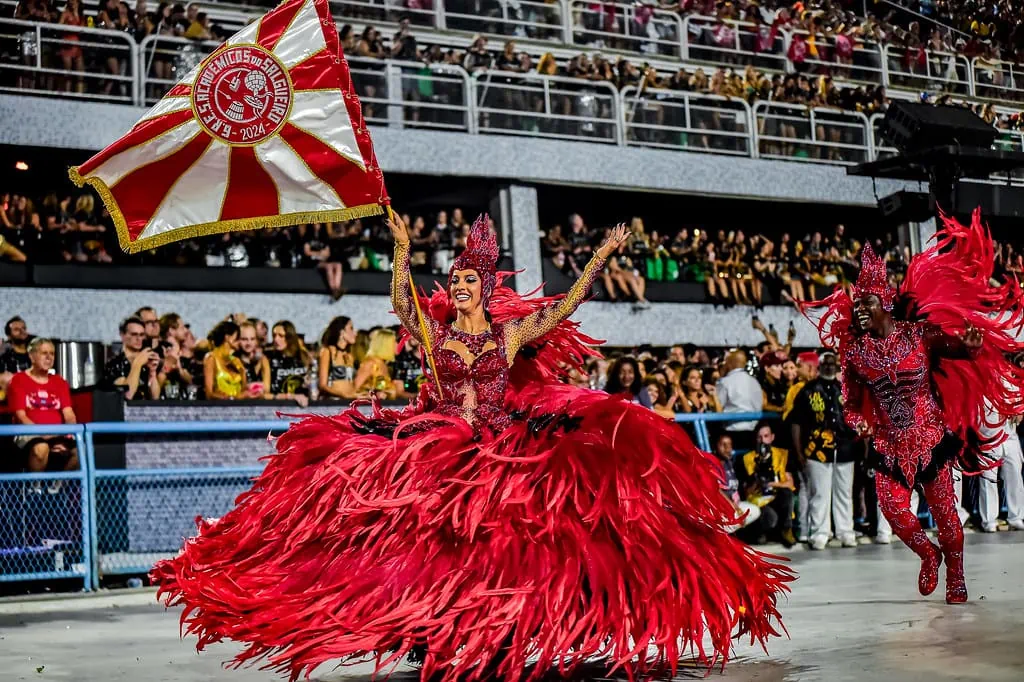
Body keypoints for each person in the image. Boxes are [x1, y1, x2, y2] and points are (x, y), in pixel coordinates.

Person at [153, 214, 793, 682]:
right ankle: (426, 626)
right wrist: (401, 250)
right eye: (454, 278)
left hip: (497, 446)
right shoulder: (431, 334)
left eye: (467, 280)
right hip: (435, 445)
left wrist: (599, 256)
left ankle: (504, 628)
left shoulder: (510, 336)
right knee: (421, 544)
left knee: (511, 545)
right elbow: (401, 302)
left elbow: (568, 302)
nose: (458, 286)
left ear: (484, 292)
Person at [803, 210, 1024, 604]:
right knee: (893, 511)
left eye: (867, 302)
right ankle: (928, 555)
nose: (860, 310)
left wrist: (970, 349)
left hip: (930, 438)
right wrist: (860, 424)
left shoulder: (919, 335)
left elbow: (957, 350)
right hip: (889, 445)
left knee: (948, 519)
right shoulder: (854, 352)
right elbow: (852, 403)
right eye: (858, 305)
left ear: (885, 301)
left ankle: (956, 575)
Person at [789, 351, 857, 550]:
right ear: (818, 367)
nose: (828, 367)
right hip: (816, 450)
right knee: (819, 493)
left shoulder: (845, 390)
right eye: (825, 363)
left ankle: (845, 531)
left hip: (845, 449)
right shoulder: (807, 391)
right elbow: (796, 423)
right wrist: (800, 452)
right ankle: (820, 532)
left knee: (844, 493)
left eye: (832, 363)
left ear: (837, 366)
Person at [7, 338, 79, 477]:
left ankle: (57, 487)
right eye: (44, 353)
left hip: (57, 434)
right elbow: (21, 416)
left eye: (52, 353)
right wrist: (45, 437)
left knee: (84, 451)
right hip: (29, 434)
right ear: (32, 356)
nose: (49, 357)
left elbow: (69, 414)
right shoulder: (19, 380)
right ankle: (36, 489)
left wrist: (68, 433)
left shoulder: (60, 382)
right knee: (41, 448)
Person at [739, 422, 797, 547]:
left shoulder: (782, 455)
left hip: (777, 497)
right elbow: (746, 493)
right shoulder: (748, 459)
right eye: (759, 437)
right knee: (770, 517)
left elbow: (790, 483)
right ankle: (760, 534)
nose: (763, 441)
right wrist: (757, 480)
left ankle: (787, 530)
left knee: (787, 493)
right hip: (759, 501)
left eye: (766, 436)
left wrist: (771, 483)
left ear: (772, 437)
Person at [978, 401, 1024, 532]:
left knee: (1015, 477)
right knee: (988, 480)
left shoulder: (1012, 382)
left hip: (1010, 435)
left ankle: (1016, 517)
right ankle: (989, 521)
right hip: (987, 436)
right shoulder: (980, 382)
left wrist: (1020, 410)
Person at [716, 349, 762, 452]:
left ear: (730, 363)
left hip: (732, 432)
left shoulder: (726, 382)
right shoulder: (755, 382)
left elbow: (717, 406)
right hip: (753, 431)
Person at [318, 316, 358, 401]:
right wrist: (343, 395)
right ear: (341, 332)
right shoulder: (327, 352)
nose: (355, 333)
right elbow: (322, 385)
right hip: (333, 403)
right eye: (351, 328)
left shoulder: (349, 355)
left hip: (349, 402)